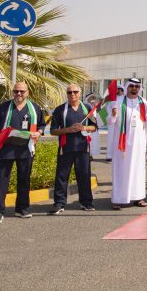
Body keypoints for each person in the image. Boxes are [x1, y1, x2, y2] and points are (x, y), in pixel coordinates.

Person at [0, 81, 47, 224]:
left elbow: (42, 124)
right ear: (12, 92)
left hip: (25, 149)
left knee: (24, 179)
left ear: (27, 93)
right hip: (6, 148)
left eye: (22, 91)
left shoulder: (35, 108)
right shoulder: (4, 107)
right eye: (16, 91)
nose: (19, 94)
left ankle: (22, 209)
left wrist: (39, 132)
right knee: (1, 181)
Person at [48, 83, 97, 214]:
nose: (73, 94)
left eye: (75, 92)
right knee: (62, 176)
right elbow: (53, 131)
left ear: (80, 93)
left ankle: (86, 202)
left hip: (83, 148)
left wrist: (84, 128)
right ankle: (59, 203)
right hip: (65, 148)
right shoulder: (60, 110)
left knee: (84, 176)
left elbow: (94, 127)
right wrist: (67, 130)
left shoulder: (87, 108)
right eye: (70, 92)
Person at [108, 78, 147, 209]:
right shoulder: (117, 101)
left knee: (138, 170)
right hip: (122, 144)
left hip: (139, 143)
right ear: (127, 87)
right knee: (120, 170)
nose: (134, 89)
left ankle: (138, 197)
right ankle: (118, 199)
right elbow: (109, 121)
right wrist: (113, 115)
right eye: (131, 86)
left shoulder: (143, 102)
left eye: (137, 86)